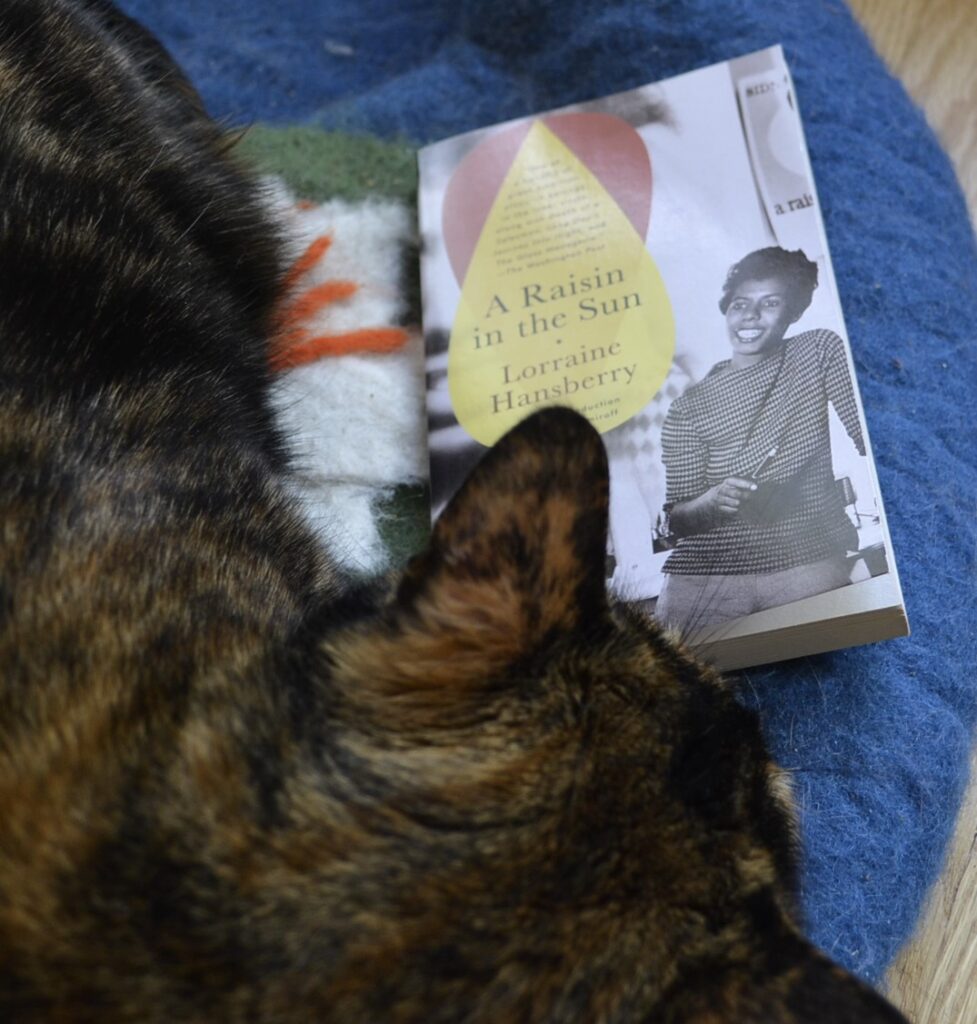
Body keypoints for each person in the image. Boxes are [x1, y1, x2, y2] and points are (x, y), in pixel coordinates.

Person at [655, 246, 865, 634]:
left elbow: (868, 434)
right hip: (701, 579)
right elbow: (677, 519)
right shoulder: (687, 407)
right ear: (726, 310)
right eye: (740, 304)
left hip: (804, 560)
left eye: (769, 303)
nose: (749, 316)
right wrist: (713, 500)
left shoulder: (817, 351)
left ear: (795, 312)